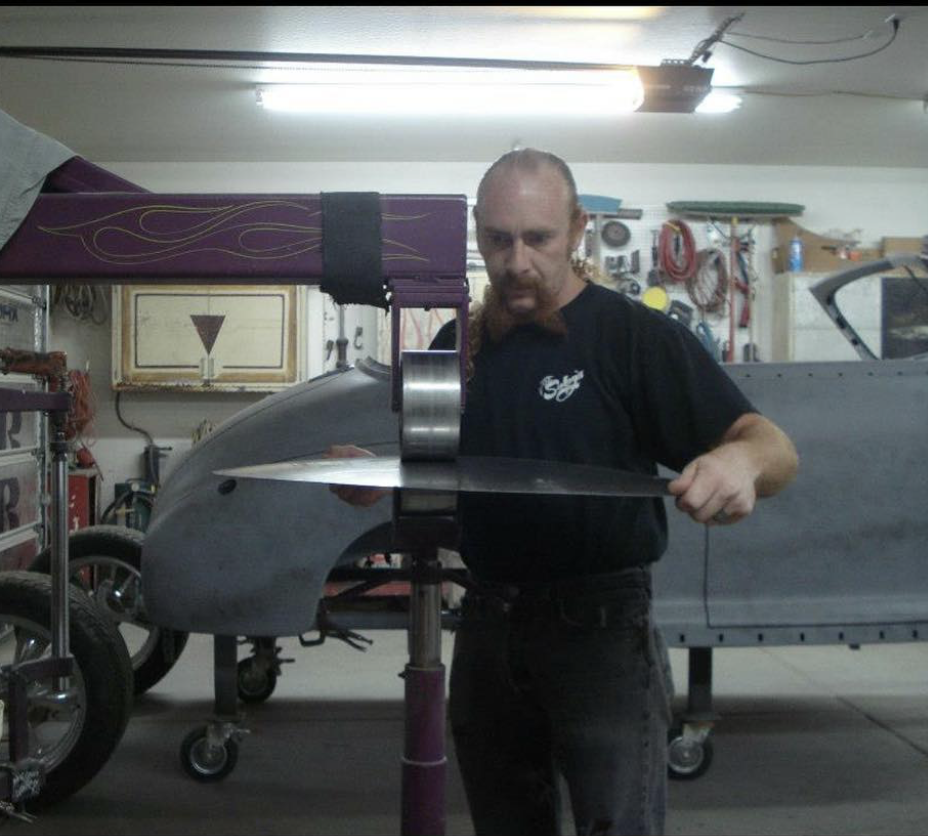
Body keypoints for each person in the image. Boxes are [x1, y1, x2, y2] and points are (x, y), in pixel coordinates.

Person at [333, 148, 798, 836]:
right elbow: (437, 472)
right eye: (497, 240)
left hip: (601, 633)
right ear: (478, 234)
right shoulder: (457, 342)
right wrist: (379, 476)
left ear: (578, 228)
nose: (516, 261)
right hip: (487, 626)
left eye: (538, 238)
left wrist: (739, 462)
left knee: (618, 823)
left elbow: (774, 447)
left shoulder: (633, 338)